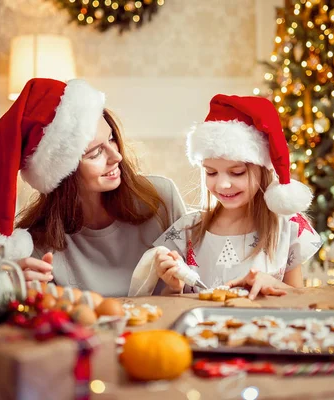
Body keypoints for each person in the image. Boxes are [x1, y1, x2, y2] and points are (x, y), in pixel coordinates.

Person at [0, 78, 186, 296]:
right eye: (96, 153)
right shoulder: (37, 245)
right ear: (63, 172)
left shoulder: (162, 198)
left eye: (111, 139)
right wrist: (12, 291)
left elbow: (201, 285)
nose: (116, 156)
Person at [129, 94, 322, 299]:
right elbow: (171, 304)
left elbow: (301, 300)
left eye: (236, 172)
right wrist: (174, 288)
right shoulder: (187, 230)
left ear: (262, 170)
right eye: (211, 172)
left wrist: (274, 284)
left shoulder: (287, 227)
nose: (222, 184)